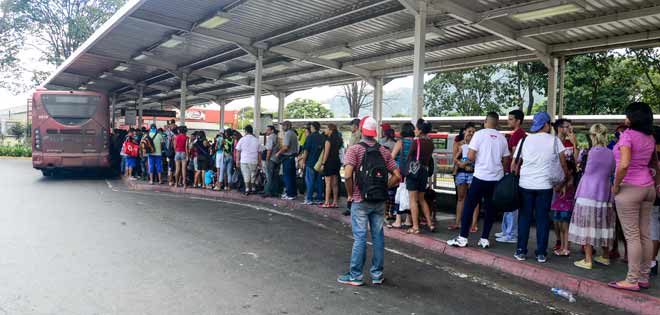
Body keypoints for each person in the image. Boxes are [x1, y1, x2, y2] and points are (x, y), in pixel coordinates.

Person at [337, 116, 401, 286]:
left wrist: (350, 194)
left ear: (362, 130)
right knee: (378, 236)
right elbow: (397, 175)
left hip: (360, 200)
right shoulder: (384, 151)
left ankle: (356, 276)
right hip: (379, 201)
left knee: (360, 237)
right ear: (374, 133)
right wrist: (384, 187)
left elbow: (348, 174)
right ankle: (377, 275)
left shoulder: (355, 150)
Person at [609, 102, 660, 292]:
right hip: (648, 188)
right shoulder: (650, 137)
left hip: (629, 188)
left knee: (632, 236)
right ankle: (644, 276)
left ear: (632, 118)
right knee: (645, 234)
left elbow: (623, 165)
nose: (625, 118)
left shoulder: (627, 136)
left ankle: (632, 280)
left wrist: (615, 186)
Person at [511, 112, 571, 263]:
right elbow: (563, 164)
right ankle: (541, 253)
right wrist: (564, 182)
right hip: (545, 185)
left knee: (524, 217)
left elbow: (515, 164)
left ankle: (521, 251)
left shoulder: (524, 140)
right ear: (546, 125)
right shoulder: (555, 141)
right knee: (542, 219)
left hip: (525, 184)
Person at [447, 112, 510, 249]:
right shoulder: (502, 138)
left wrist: (468, 162)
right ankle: (484, 239)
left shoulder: (479, 135)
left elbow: (470, 156)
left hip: (480, 177)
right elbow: (506, 161)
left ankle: (463, 238)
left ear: (486, 121)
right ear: (497, 122)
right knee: (490, 209)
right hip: (496, 179)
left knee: (469, 206)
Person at [569, 123, 616, 270]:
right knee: (604, 224)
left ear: (593, 135)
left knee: (587, 225)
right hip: (605, 191)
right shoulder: (611, 152)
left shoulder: (590, 152)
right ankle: (605, 256)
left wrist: (575, 145)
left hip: (588, 191)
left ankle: (588, 259)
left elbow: (580, 166)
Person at [495, 110, 526, 243]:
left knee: (512, 204)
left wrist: (512, 171)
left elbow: (515, 156)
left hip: (514, 173)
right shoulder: (518, 134)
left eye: (511, 119)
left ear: (518, 121)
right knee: (509, 203)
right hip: (514, 172)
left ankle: (511, 233)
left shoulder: (517, 135)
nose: (508, 121)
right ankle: (506, 230)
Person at [405, 119, 436, 234]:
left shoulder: (416, 142)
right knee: (422, 199)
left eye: (416, 128)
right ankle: (430, 223)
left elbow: (409, 157)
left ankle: (415, 227)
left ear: (420, 130)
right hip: (424, 171)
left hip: (414, 172)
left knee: (413, 200)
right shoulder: (431, 143)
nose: (414, 130)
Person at [552, 118, 579, 252]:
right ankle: (559, 240)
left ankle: (565, 244)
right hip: (554, 183)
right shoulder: (552, 142)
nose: (570, 129)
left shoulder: (571, 143)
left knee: (565, 215)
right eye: (567, 126)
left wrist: (575, 145)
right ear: (559, 128)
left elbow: (577, 162)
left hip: (569, 184)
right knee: (555, 215)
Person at [450, 123, 479, 232]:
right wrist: (461, 164)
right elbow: (455, 158)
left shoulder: (477, 145)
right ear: (464, 132)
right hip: (461, 173)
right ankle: (458, 222)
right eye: (469, 131)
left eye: (473, 132)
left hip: (473, 173)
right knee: (461, 198)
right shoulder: (458, 144)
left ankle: (474, 224)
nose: (471, 134)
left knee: (474, 198)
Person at [389, 122, 415, 229]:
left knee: (399, 195)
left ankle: (398, 220)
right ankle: (408, 220)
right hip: (413, 171)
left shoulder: (400, 142)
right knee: (409, 196)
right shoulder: (415, 142)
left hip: (401, 172)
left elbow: (391, 157)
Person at [320, 123, 343, 208]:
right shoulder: (339, 140)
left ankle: (326, 202)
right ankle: (335, 202)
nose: (325, 130)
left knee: (328, 183)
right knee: (335, 183)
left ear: (330, 130)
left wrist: (323, 163)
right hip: (336, 162)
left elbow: (326, 154)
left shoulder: (328, 141)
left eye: (326, 129)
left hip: (329, 162)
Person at [301, 122, 325, 205]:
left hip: (310, 162)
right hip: (319, 163)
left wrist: (303, 161)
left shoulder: (310, 137)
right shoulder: (322, 137)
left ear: (313, 127)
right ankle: (319, 198)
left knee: (309, 181)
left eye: (311, 127)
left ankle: (309, 198)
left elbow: (306, 150)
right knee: (319, 181)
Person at [275, 121, 299, 200]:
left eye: (283, 126)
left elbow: (286, 147)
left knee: (287, 177)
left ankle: (289, 194)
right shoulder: (294, 134)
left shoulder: (288, 134)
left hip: (288, 157)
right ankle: (293, 193)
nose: (282, 127)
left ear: (288, 126)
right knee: (292, 176)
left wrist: (278, 153)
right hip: (293, 157)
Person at [235, 125, 261, 195]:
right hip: (253, 160)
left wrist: (237, 161)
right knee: (253, 175)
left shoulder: (242, 139)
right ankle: (253, 188)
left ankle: (247, 189)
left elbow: (238, 151)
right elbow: (259, 153)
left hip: (244, 160)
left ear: (246, 131)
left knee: (246, 175)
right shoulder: (256, 140)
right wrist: (259, 162)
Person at [263, 125, 281, 198]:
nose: (266, 131)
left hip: (271, 159)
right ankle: (275, 192)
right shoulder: (277, 137)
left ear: (272, 130)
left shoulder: (271, 137)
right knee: (275, 176)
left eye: (268, 130)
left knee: (269, 176)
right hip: (277, 159)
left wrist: (267, 159)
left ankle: (267, 192)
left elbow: (269, 149)